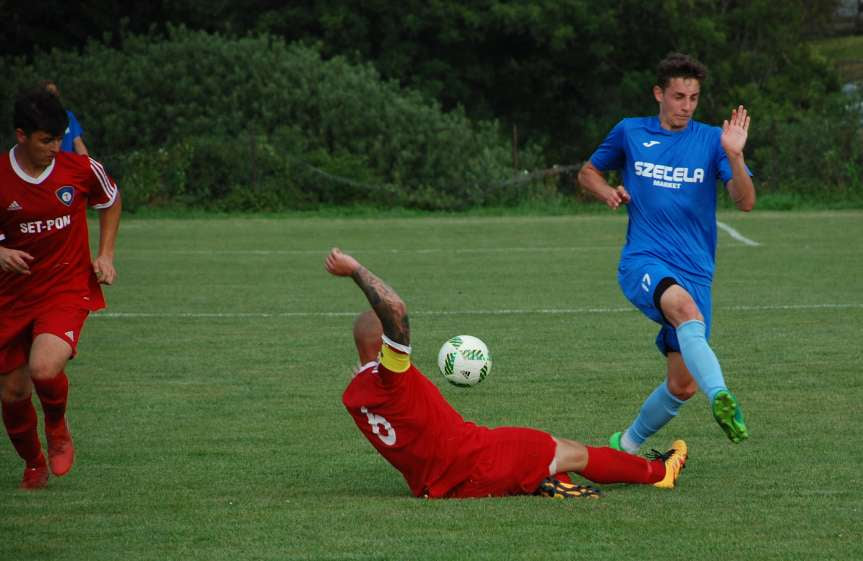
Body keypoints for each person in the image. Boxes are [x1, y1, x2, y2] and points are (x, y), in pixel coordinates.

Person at [325, 247, 687, 499]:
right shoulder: (391, 377)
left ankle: (544, 481)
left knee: (545, 461)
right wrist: (356, 270)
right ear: (384, 345)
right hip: (476, 459)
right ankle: (659, 475)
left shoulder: (354, 395)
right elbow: (396, 310)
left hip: (432, 484)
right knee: (574, 451)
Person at [577, 52, 754, 454]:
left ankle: (626, 444)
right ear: (659, 94)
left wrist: (735, 155)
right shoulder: (630, 132)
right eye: (678, 97)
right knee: (685, 310)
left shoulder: (713, 141)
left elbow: (744, 201)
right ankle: (722, 396)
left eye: (693, 98)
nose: (686, 107)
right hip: (644, 260)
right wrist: (606, 190)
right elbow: (588, 171)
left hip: (696, 270)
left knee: (682, 384)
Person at [0, 87, 121, 489]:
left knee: (44, 368)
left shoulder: (79, 169)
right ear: (21, 135)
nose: (55, 147)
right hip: (11, 296)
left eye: (59, 137)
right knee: (14, 393)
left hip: (66, 285)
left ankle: (57, 426)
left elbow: (110, 199)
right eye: (46, 140)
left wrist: (105, 255)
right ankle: (33, 461)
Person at [42, 81, 89, 156]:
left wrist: (87, 164)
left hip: (65, 164)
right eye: (49, 92)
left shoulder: (68, 116)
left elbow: (78, 143)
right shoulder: (37, 118)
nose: (53, 94)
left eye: (54, 92)